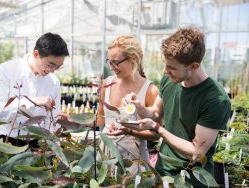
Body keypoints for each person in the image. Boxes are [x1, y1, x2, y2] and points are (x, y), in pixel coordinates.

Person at [122, 27, 231, 187]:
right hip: (162, 170)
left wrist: (157, 128)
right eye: (165, 65)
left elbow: (196, 152)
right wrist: (139, 107)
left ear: (193, 66)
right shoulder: (170, 80)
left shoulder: (216, 99)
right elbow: (156, 112)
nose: (166, 71)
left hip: (191, 178)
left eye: (172, 67)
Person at [0, 32, 69, 148]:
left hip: (37, 144)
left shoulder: (53, 81)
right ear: (36, 54)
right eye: (50, 65)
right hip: (5, 142)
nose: (52, 71)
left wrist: (53, 144)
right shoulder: (8, 71)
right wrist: (30, 101)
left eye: (58, 67)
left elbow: (52, 120)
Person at [96, 35, 159, 172]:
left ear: (133, 59)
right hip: (104, 156)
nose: (112, 67)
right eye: (109, 61)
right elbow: (99, 119)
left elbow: (157, 133)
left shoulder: (150, 91)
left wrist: (131, 131)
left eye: (116, 62)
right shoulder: (107, 84)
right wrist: (71, 120)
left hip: (133, 160)